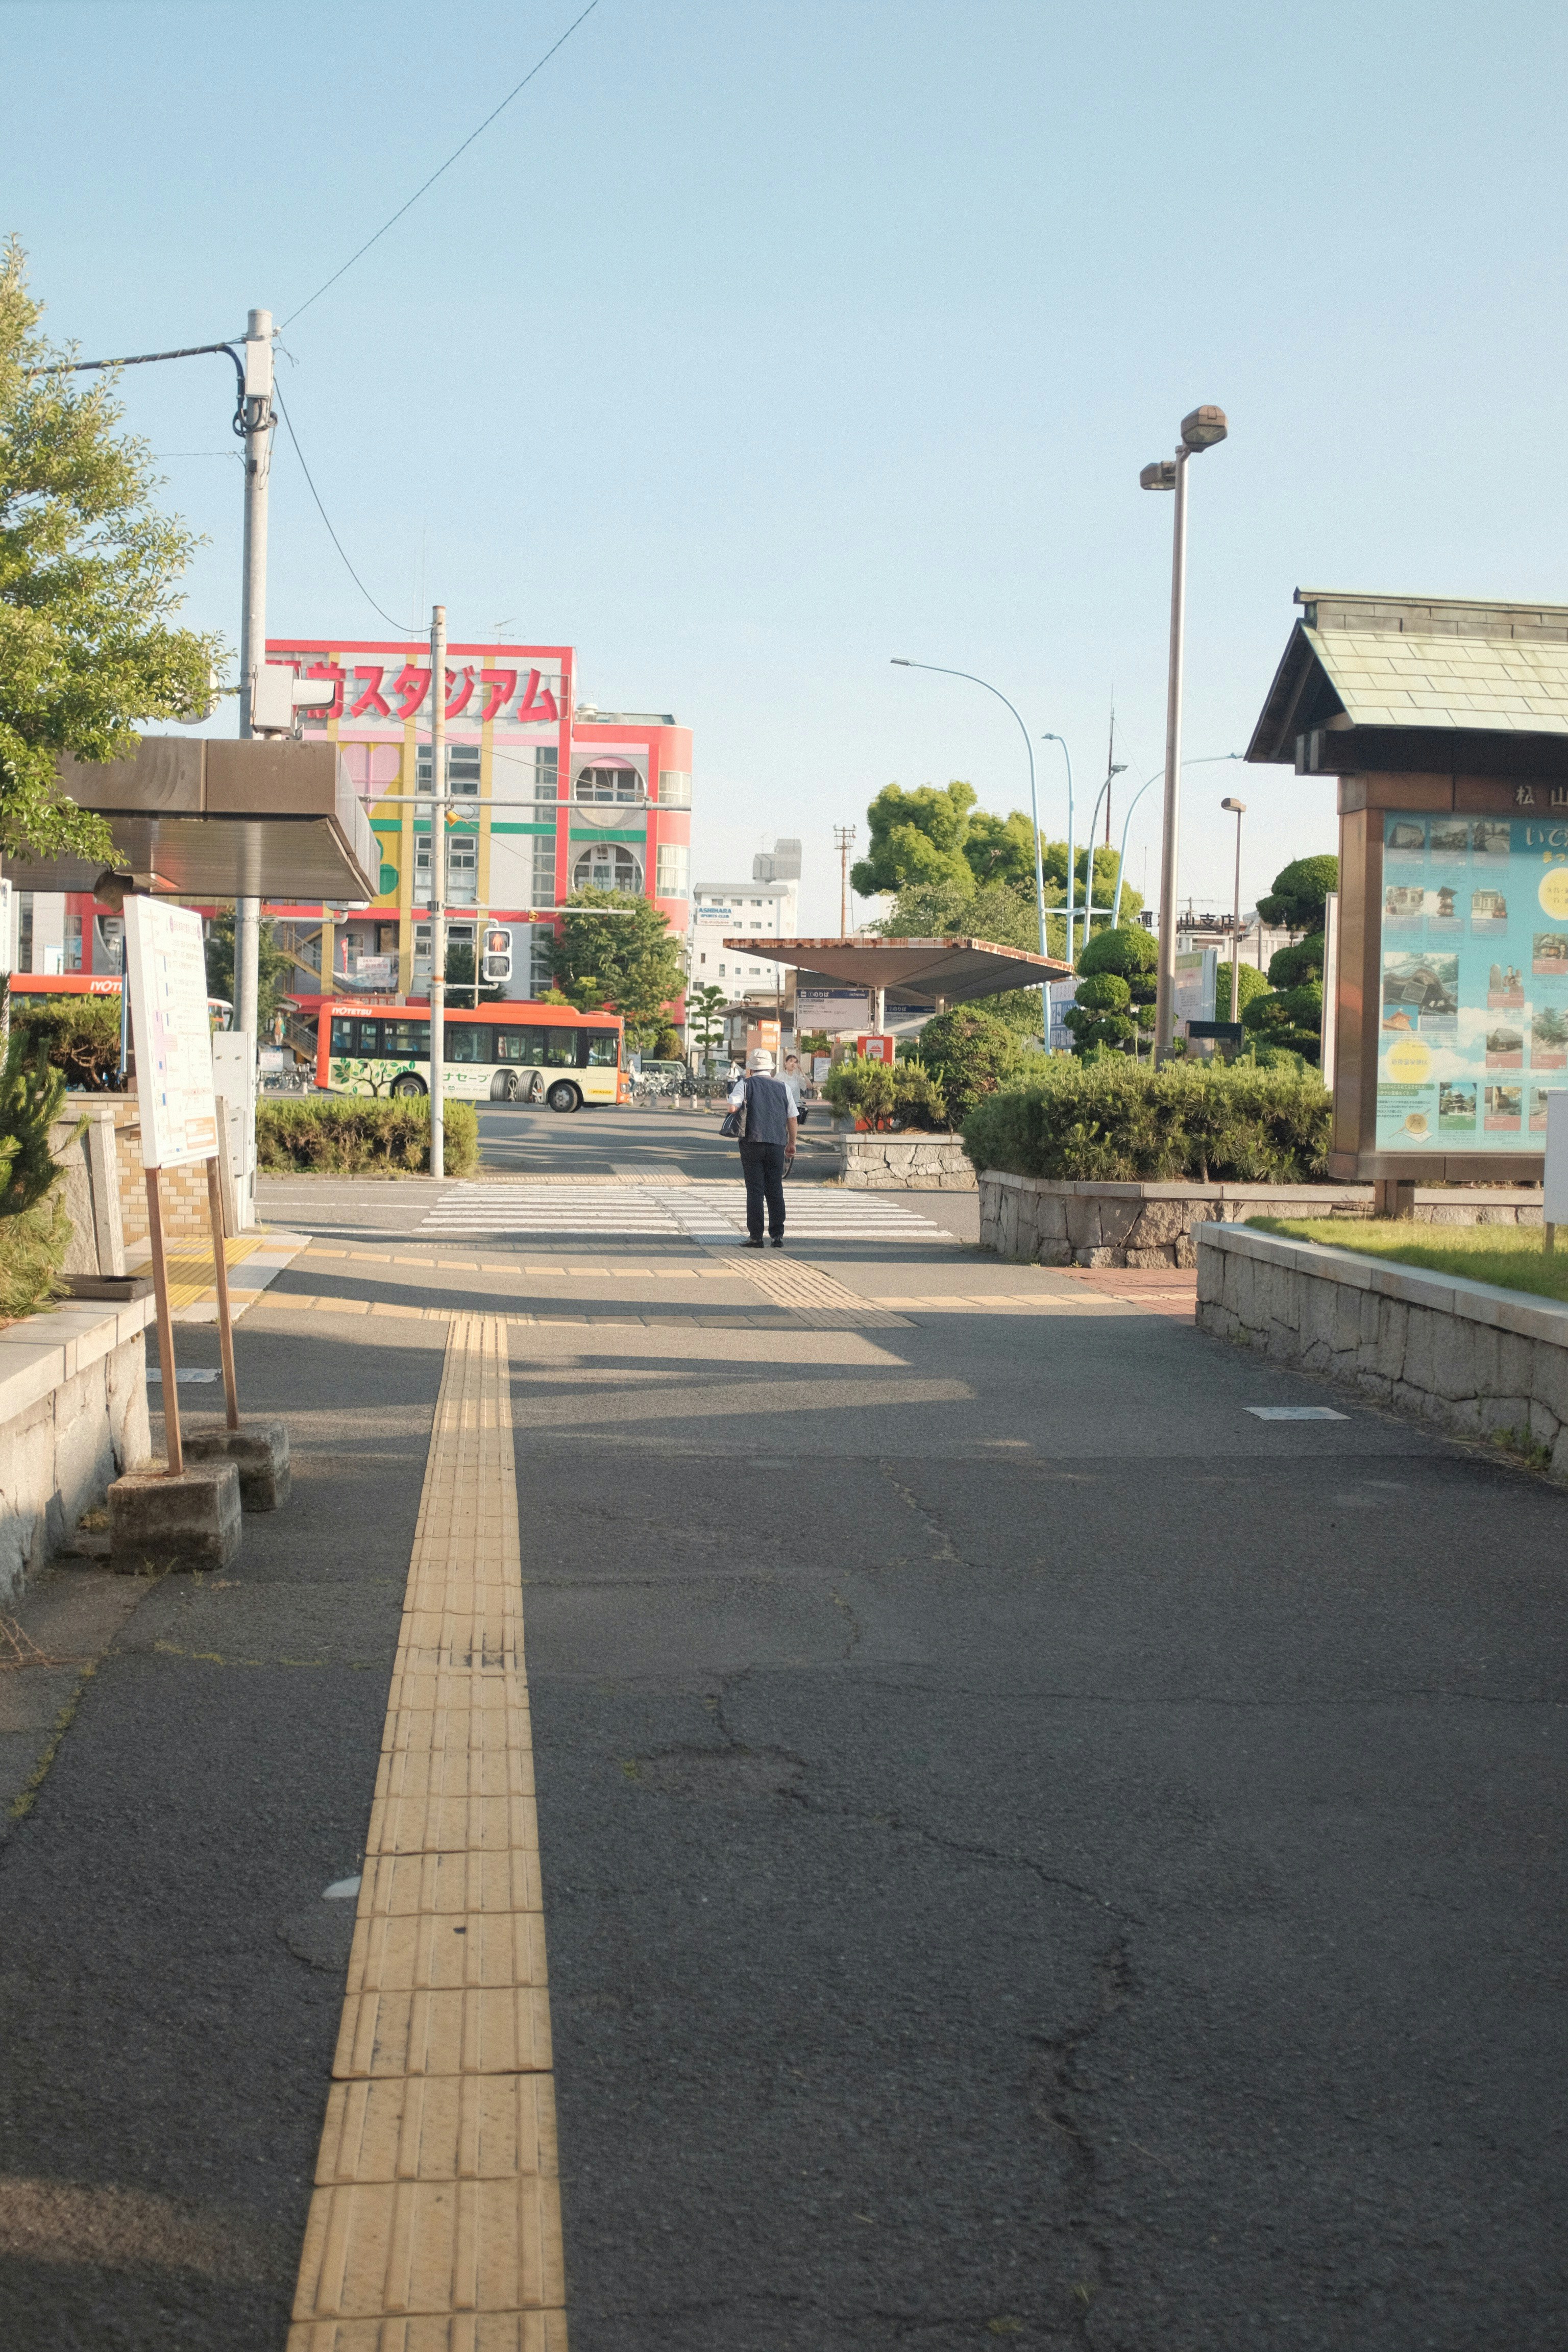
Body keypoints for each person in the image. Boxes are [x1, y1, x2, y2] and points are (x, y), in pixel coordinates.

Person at [728, 1047, 797, 1248]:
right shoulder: (783, 1087)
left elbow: (733, 1108)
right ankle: (777, 1235)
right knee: (775, 1189)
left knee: (755, 1190)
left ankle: (756, 1237)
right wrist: (791, 1144)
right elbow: (792, 1119)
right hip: (777, 1143)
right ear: (770, 1069)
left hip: (752, 1142)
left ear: (751, 1069)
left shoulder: (745, 1084)